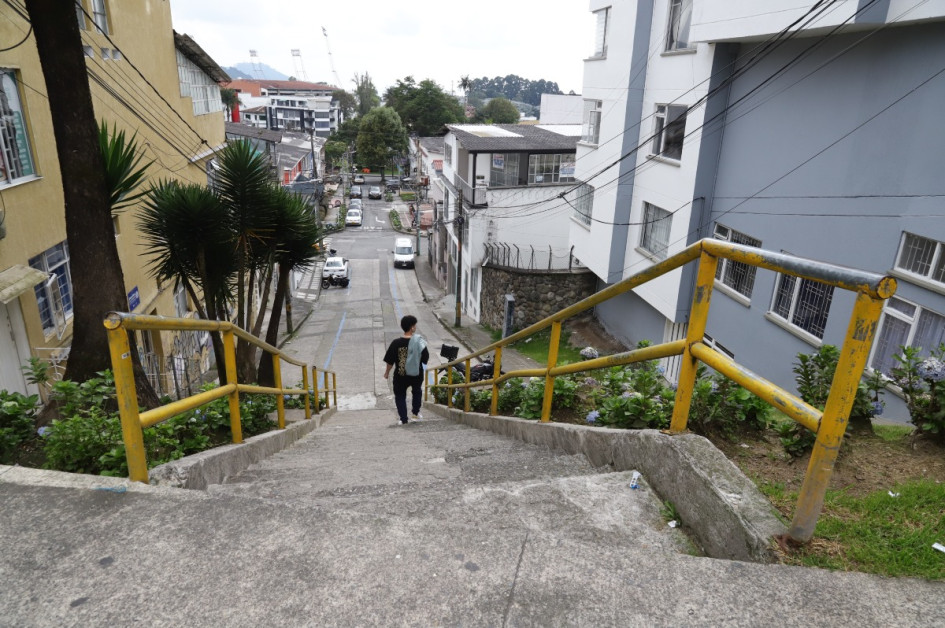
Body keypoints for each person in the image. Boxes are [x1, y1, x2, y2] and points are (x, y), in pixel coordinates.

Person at [383, 314, 429, 425]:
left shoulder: (396, 343)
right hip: (416, 374)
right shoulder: (419, 341)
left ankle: (403, 419)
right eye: (415, 325)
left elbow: (390, 361)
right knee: (417, 391)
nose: (415, 327)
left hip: (400, 374)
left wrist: (387, 372)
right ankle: (415, 414)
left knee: (400, 396)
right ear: (412, 327)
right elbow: (425, 359)